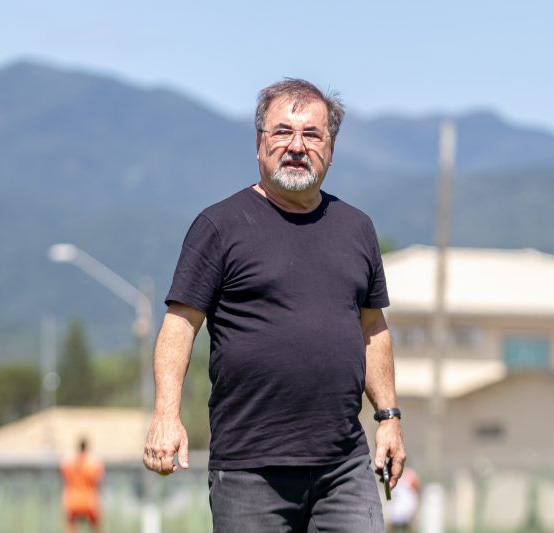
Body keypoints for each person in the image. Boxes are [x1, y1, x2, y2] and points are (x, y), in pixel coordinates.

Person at [143, 78, 406, 532]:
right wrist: (166, 416)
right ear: (260, 143)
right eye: (282, 131)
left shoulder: (357, 228)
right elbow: (179, 327)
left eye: (312, 134)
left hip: (343, 465)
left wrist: (388, 417)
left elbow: (372, 329)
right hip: (250, 468)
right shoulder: (219, 226)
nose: (297, 146)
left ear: (332, 148)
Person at [60, 437, 104, 533]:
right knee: (95, 525)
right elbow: (98, 479)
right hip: (89, 499)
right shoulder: (93, 463)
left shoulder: (69, 463)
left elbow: (63, 472)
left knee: (70, 525)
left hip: (73, 499)